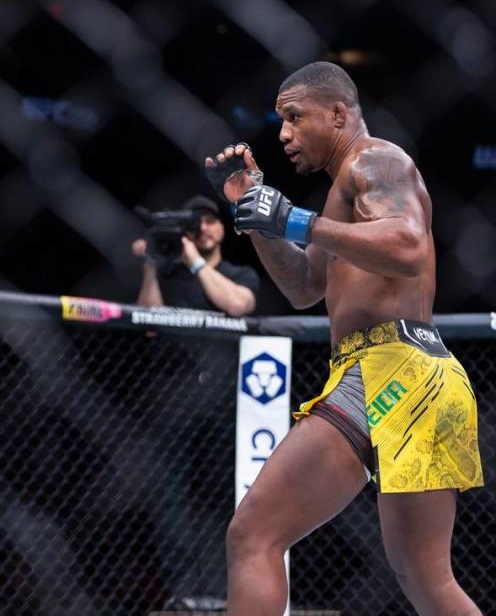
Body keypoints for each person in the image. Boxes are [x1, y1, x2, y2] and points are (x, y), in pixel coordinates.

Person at [205, 61, 483, 615]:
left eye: (293, 117)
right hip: (423, 375)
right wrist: (256, 214)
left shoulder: (376, 160)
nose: (282, 133)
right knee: (426, 579)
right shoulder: (342, 196)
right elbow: (305, 287)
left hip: (390, 366)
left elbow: (408, 248)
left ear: (338, 113)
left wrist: (293, 219)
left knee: (253, 535)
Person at [131, 195, 258, 316]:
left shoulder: (241, 274)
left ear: (222, 228)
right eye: (193, 225)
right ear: (184, 233)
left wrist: (196, 262)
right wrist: (151, 263)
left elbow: (239, 306)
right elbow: (148, 326)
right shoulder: (168, 275)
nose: (202, 228)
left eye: (209, 221)